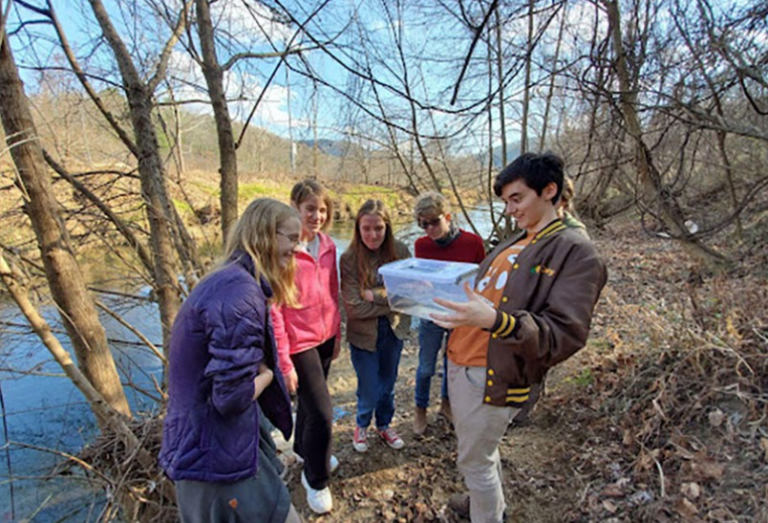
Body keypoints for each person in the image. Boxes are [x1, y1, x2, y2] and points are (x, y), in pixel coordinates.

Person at [432, 153, 608, 523]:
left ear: (550, 191)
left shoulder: (576, 251)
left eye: (517, 199)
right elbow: (488, 295)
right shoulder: (520, 239)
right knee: (480, 453)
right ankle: (486, 502)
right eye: (506, 201)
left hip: (493, 374)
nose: (510, 210)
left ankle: (487, 512)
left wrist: (496, 321)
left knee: (473, 458)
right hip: (461, 362)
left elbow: (565, 334)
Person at [159, 198, 302, 523]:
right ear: (265, 234)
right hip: (213, 459)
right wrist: (267, 375)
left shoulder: (230, 279)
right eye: (291, 238)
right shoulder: (239, 293)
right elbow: (232, 397)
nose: (297, 248)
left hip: (216, 447)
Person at [271, 180, 341, 515]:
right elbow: (275, 309)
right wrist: (283, 361)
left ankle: (303, 449)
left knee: (313, 410)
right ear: (295, 208)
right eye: (310, 208)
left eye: (322, 210)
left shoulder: (328, 245)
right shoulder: (284, 249)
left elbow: (332, 292)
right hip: (299, 343)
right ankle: (316, 479)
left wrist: (337, 334)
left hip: (326, 337)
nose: (317, 215)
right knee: (324, 414)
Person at [510, 175, 589, 427]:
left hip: (547, 309)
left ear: (560, 201)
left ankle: (521, 413)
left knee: (535, 359)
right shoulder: (535, 228)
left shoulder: (574, 235)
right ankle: (514, 408)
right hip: (526, 303)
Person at [340, 199, 411, 453]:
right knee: (369, 386)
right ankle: (361, 424)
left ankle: (384, 425)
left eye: (378, 228)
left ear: (387, 227)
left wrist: (374, 295)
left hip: (394, 329)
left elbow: (407, 296)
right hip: (363, 336)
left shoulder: (400, 251)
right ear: (358, 229)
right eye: (366, 228)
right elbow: (353, 308)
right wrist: (390, 298)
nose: (373, 235)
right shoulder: (349, 259)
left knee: (388, 384)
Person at [412, 192, 485, 435]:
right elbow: (422, 279)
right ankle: (420, 409)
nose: (429, 228)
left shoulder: (473, 243)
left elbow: (482, 279)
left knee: (451, 363)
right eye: (423, 224)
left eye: (434, 221)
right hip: (431, 313)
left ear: (448, 217)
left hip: (461, 313)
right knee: (425, 367)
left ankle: (446, 405)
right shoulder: (421, 245)